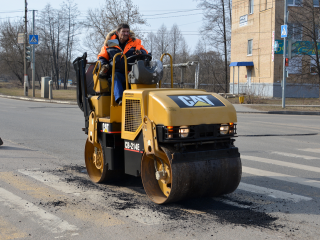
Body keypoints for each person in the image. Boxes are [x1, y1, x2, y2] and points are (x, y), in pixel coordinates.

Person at [97, 23, 148, 105]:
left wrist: (140, 52)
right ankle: (120, 99)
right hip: (117, 73)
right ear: (117, 33)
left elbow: (145, 52)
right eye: (123, 31)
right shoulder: (109, 44)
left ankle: (143, 101)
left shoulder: (135, 43)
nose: (126, 34)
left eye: (127, 31)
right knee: (115, 75)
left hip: (132, 73)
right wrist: (104, 65)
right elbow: (102, 57)